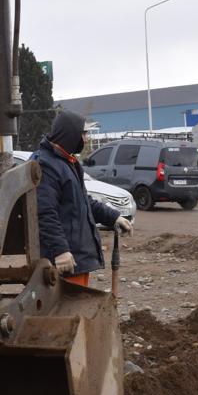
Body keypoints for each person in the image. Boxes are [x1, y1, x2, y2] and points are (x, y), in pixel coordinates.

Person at [33, 111, 132, 286]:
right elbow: (44, 212)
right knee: (64, 310)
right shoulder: (46, 165)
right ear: (70, 133)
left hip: (76, 258)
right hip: (63, 261)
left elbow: (83, 201)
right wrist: (60, 251)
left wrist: (114, 217)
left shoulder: (68, 163)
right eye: (83, 133)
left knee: (76, 305)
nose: (86, 139)